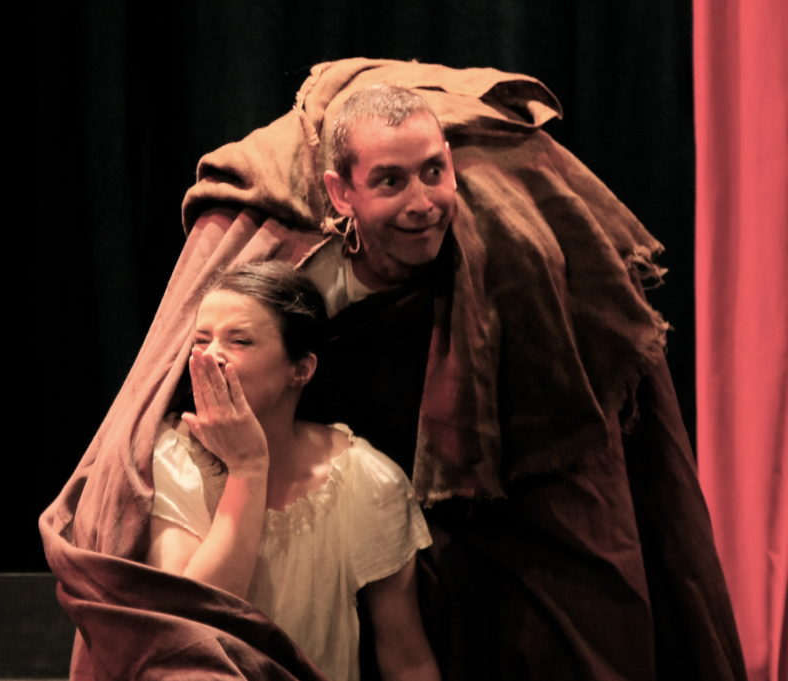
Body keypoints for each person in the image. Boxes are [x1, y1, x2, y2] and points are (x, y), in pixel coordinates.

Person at [41, 58, 746, 681]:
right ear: (339, 192)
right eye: (389, 181)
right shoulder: (282, 273)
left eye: (435, 172)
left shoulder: (499, 262)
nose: (422, 203)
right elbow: (190, 616)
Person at [146, 261, 439, 681]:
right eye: (201, 340)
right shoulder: (176, 457)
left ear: (301, 369)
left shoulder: (366, 479)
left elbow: (407, 659)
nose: (210, 356)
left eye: (239, 340)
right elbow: (192, 627)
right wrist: (247, 470)